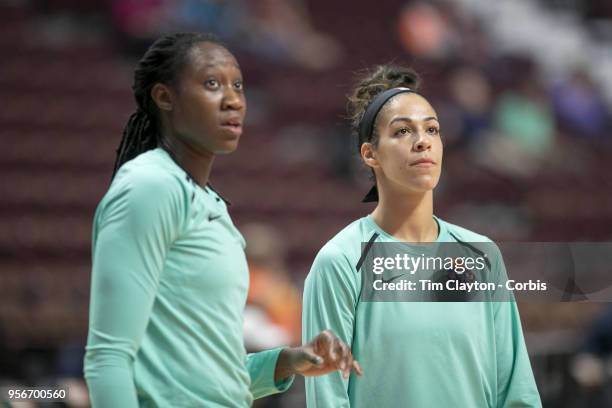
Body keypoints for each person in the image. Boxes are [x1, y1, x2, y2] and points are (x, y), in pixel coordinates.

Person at [83, 32, 361, 407]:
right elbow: (109, 357)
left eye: (239, 86)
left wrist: (287, 361)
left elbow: (211, 378)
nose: (233, 100)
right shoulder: (149, 187)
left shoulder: (212, 204)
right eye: (212, 84)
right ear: (165, 97)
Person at [302, 65, 541, 407]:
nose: (422, 141)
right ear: (370, 154)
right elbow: (327, 399)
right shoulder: (340, 261)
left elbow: (516, 390)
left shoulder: (482, 254)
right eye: (402, 132)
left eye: (432, 129)